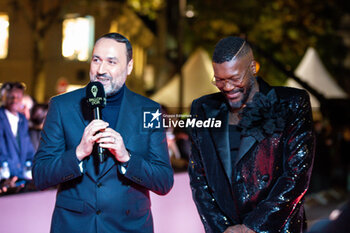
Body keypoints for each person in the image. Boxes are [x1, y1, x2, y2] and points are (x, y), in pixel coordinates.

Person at [33, 33, 174, 233]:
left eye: (111, 62)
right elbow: (40, 175)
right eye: (96, 60)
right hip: (73, 227)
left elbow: (164, 181)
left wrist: (126, 158)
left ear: (129, 67)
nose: (101, 70)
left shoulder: (149, 110)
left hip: (130, 227)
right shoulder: (61, 106)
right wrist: (78, 153)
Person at [188, 37, 315, 233]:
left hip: (276, 227)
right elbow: (199, 178)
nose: (227, 87)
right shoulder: (203, 108)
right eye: (219, 80)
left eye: (234, 78)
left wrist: (252, 226)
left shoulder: (292, 103)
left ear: (253, 68)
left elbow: (296, 174)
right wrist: (223, 229)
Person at [0, 82, 35, 192]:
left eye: (18, 97)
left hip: (20, 177)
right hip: (4, 180)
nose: (15, 100)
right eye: (11, 97)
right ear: (4, 96)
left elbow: (27, 146)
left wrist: (30, 168)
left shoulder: (22, 119)